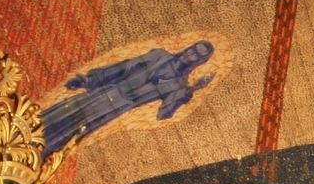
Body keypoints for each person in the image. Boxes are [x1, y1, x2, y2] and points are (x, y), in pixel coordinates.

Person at [40, 40, 215, 156]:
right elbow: (124, 67)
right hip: (107, 90)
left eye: (197, 55)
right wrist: (90, 79)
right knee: (65, 112)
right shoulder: (159, 55)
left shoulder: (179, 85)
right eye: (193, 49)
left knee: (75, 130)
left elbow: (163, 113)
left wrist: (191, 90)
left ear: (200, 62)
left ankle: (41, 152)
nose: (191, 54)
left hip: (118, 105)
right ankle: (33, 129)